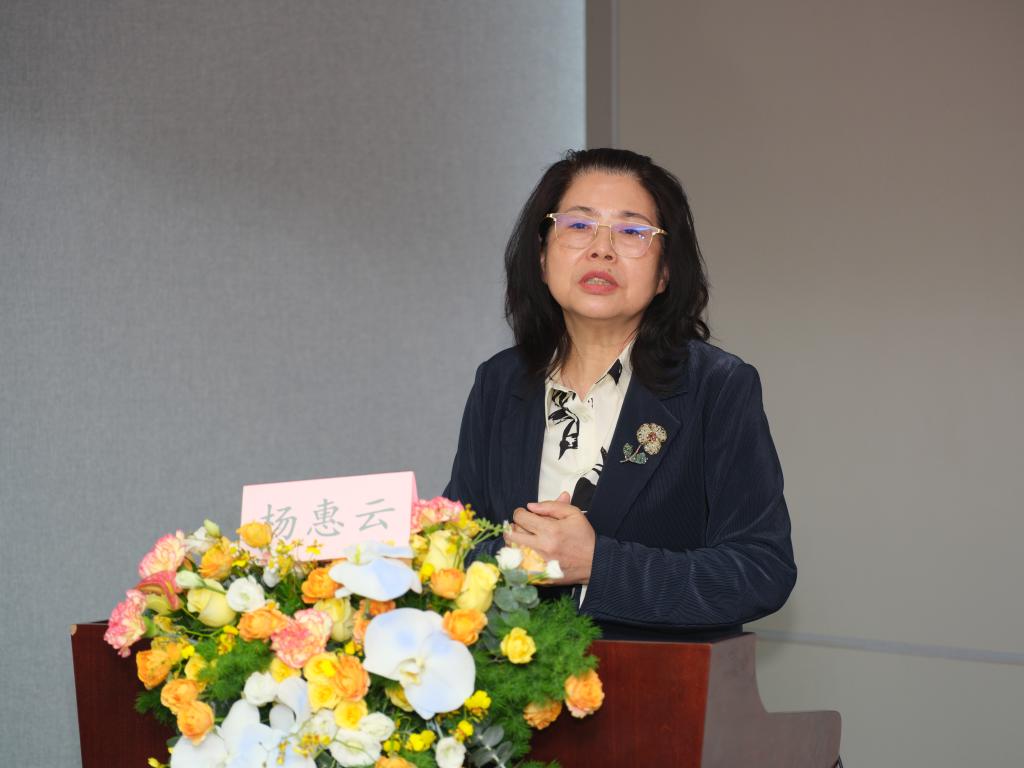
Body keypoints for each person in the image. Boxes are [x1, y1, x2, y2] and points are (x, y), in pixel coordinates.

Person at [444, 148, 796, 641]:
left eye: (632, 232)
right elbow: (458, 543)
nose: (602, 250)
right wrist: (511, 556)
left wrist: (598, 564)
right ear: (542, 257)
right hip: (514, 678)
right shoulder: (500, 382)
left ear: (665, 272)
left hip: (659, 681)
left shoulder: (716, 386)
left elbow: (761, 570)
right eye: (578, 225)